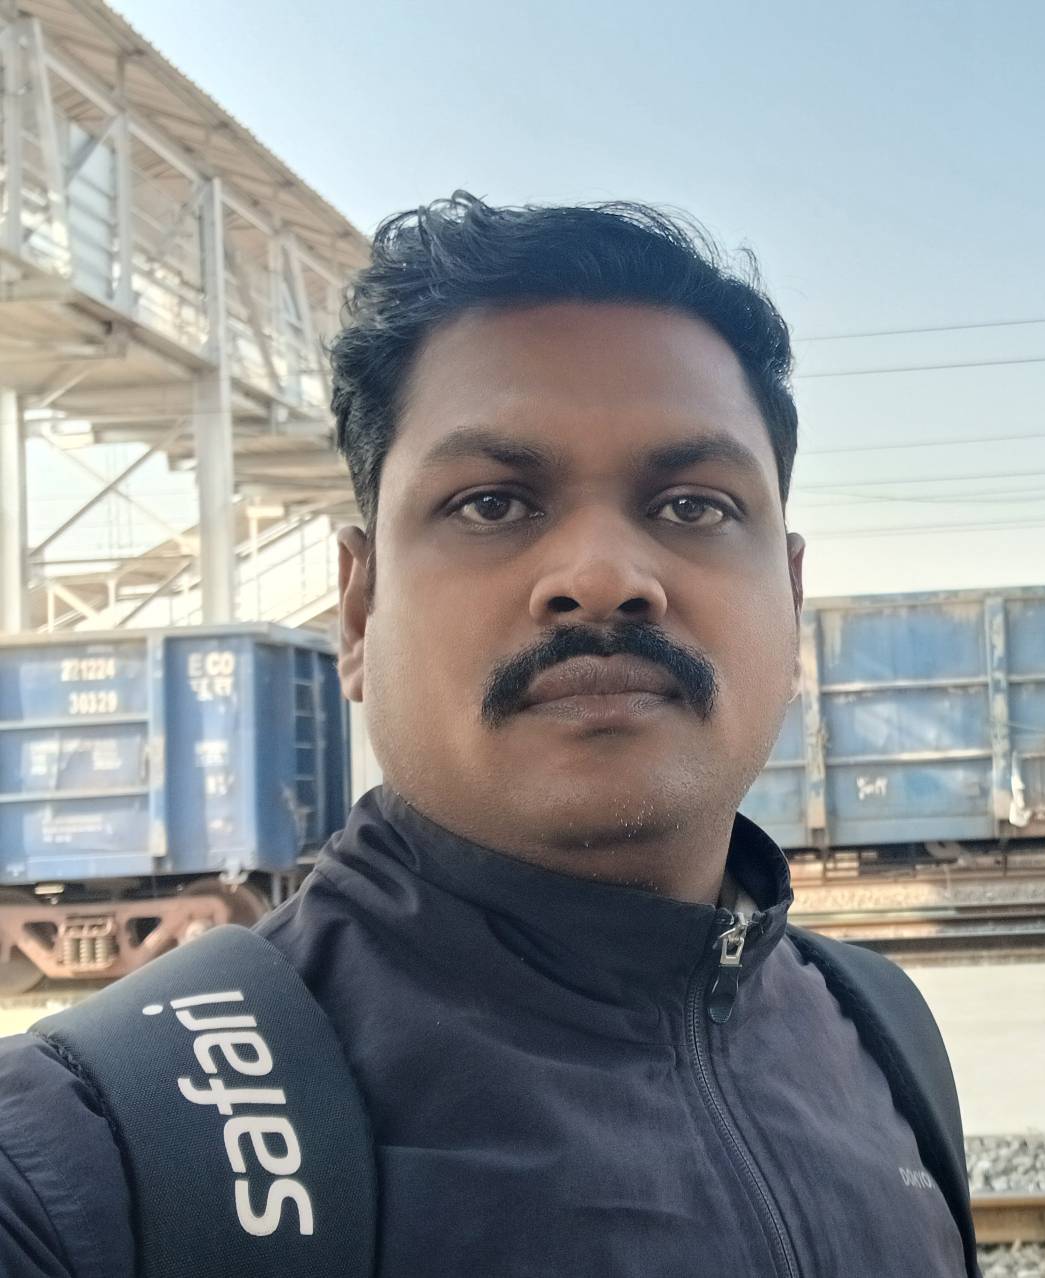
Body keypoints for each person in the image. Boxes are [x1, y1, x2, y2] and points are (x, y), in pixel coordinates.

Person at [0, 194, 974, 1277]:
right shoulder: (81, 1159)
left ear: (789, 600)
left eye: (693, 506)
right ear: (359, 611)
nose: (602, 576)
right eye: (493, 504)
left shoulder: (887, 1036)